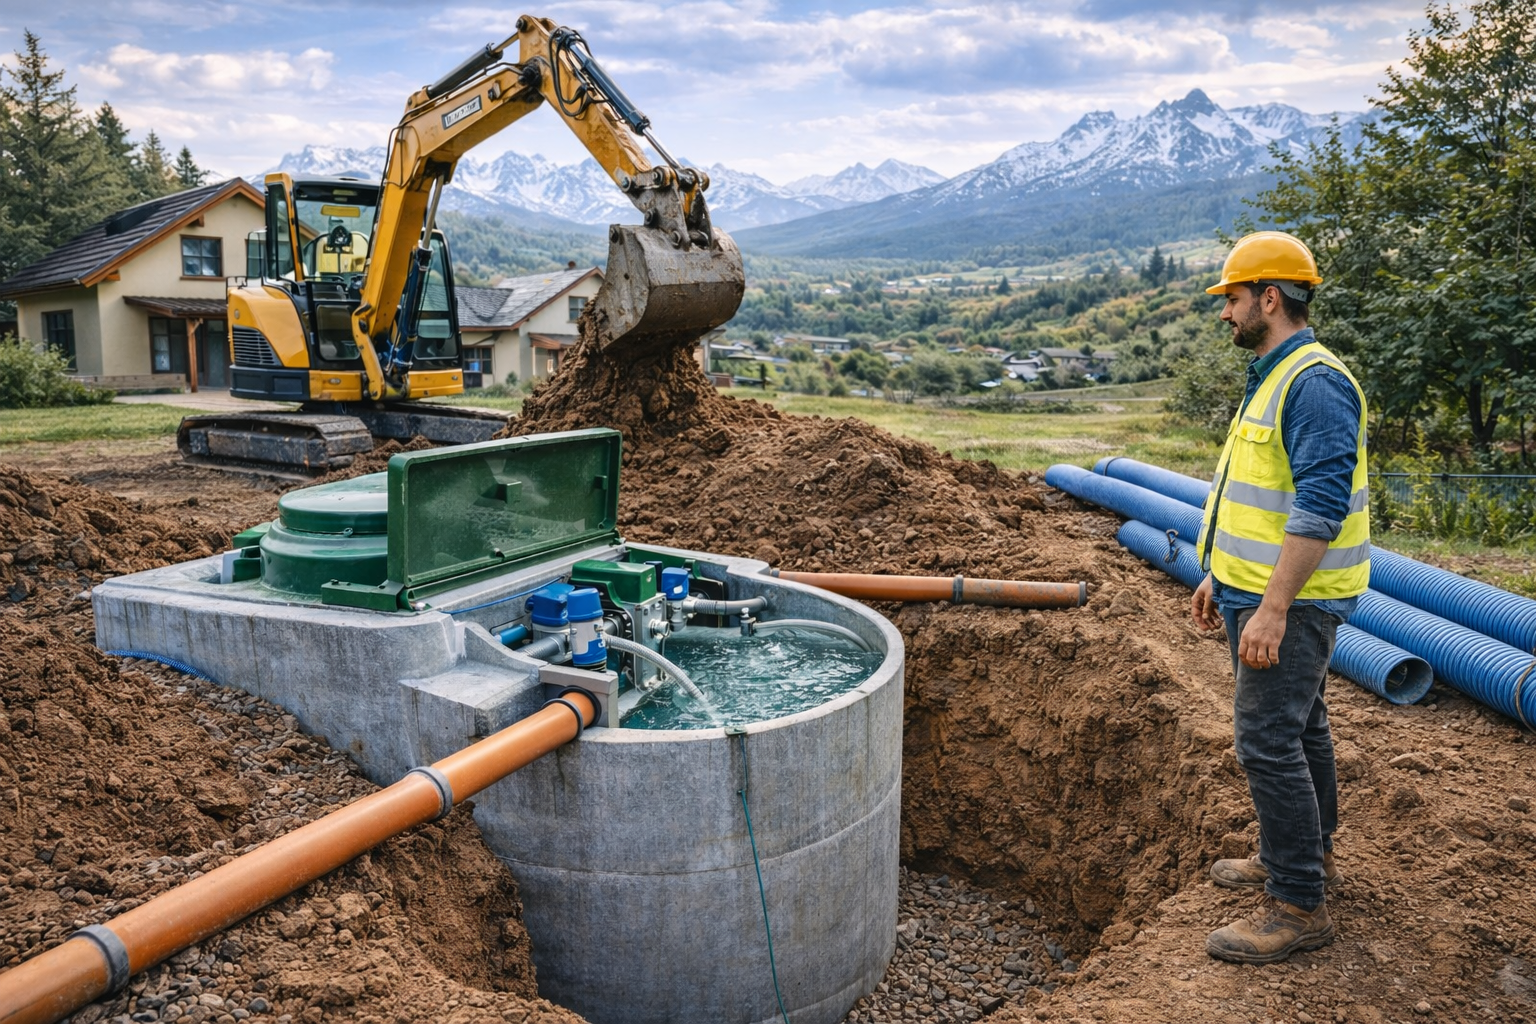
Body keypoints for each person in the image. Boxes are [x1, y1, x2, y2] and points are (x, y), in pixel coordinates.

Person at [1189, 231, 1371, 964]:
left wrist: (1269, 608)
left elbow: (1319, 508)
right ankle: (1303, 856)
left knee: (1265, 740)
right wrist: (1220, 575)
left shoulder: (1314, 383)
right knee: (1302, 728)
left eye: (1232, 299)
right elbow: (1258, 497)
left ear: (1270, 297)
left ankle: (1298, 904)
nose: (1225, 313)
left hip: (1294, 601)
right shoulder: (1274, 372)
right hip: (1257, 589)